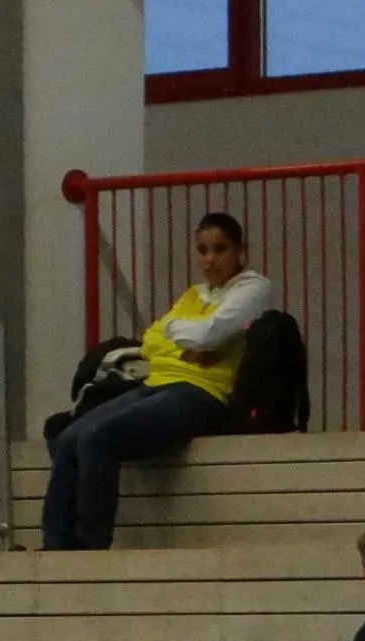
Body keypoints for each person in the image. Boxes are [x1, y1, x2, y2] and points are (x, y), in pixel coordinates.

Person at [41, 212, 274, 551]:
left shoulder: (254, 288)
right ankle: (55, 547)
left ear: (241, 250)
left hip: (201, 391)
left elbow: (208, 334)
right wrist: (186, 341)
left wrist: (177, 332)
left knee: (96, 439)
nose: (209, 259)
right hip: (157, 382)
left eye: (220, 249)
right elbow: (151, 340)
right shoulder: (195, 294)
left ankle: (90, 547)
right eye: (203, 250)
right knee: (67, 438)